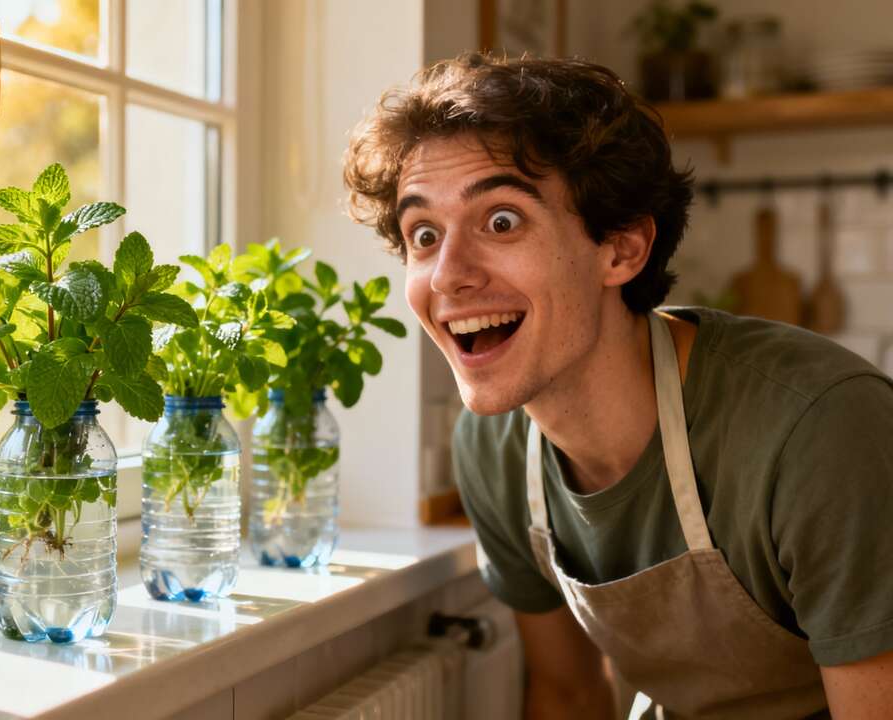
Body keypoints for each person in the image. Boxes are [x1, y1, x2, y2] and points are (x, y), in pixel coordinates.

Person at [342, 53, 893, 719]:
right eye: (424, 234)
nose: (449, 274)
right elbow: (568, 694)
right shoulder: (492, 447)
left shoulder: (818, 428)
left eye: (502, 221)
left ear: (622, 250)